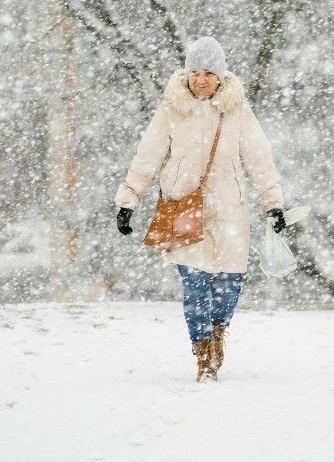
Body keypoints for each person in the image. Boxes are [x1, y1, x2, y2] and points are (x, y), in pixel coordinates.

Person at [114, 36, 286, 382]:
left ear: (220, 76)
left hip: (230, 213)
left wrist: (273, 204)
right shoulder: (171, 109)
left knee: (228, 286)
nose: (201, 79)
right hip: (184, 210)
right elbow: (148, 155)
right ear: (186, 73)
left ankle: (219, 331)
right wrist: (128, 200)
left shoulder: (236, 109)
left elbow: (258, 158)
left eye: (209, 72)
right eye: (195, 71)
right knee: (194, 286)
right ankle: (203, 354)